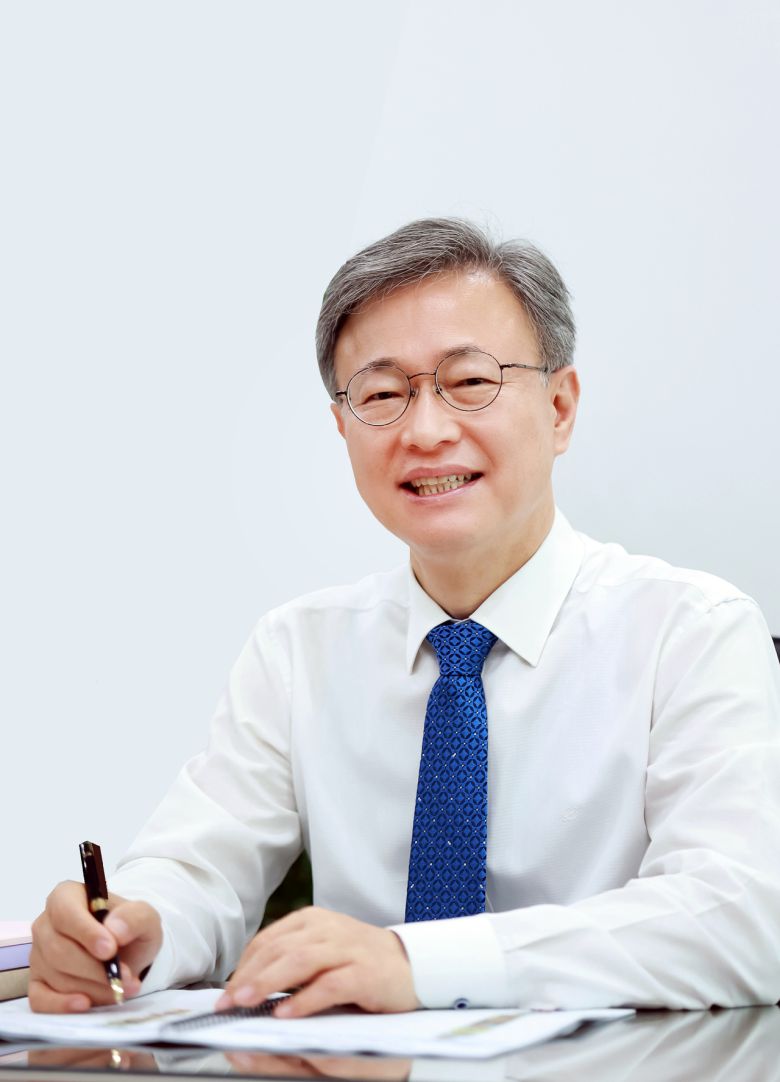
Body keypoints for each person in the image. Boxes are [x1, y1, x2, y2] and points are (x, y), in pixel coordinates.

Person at [29, 219, 780, 1015]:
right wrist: (135, 932)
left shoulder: (692, 633)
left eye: (470, 381)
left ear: (560, 407)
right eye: (383, 395)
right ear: (343, 426)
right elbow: (197, 867)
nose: (425, 431)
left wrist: (422, 963)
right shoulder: (299, 650)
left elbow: (743, 916)